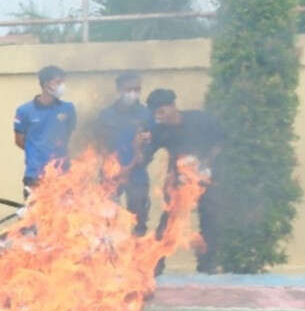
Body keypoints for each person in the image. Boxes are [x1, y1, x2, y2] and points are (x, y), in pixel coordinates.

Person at [143, 88, 224, 269]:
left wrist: (205, 164)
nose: (159, 116)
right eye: (155, 113)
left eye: (162, 111)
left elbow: (220, 142)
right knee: (167, 224)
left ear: (172, 106)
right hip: (179, 183)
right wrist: (139, 143)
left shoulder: (200, 119)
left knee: (210, 222)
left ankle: (207, 267)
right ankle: (154, 267)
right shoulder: (158, 131)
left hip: (207, 179)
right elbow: (145, 157)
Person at [96, 71, 153, 233]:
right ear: (119, 90)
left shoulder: (146, 114)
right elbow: (99, 144)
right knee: (107, 220)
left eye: (137, 89)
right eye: (129, 89)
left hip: (137, 174)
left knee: (138, 220)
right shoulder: (106, 115)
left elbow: (151, 146)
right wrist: (113, 168)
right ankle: (110, 256)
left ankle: (139, 256)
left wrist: (139, 158)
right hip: (111, 174)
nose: (133, 93)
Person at [13, 64, 76, 197]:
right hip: (35, 175)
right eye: (58, 82)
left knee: (64, 216)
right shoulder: (24, 111)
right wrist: (37, 150)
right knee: (36, 215)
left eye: (63, 82)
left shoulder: (68, 109)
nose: (62, 86)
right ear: (46, 84)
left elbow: (69, 134)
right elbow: (19, 141)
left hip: (62, 174)